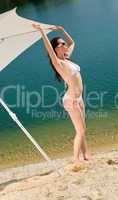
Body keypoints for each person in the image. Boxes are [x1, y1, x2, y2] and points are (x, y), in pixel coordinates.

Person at [32, 24, 92, 167]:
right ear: (56, 48)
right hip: (71, 100)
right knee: (81, 130)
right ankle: (75, 160)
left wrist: (63, 30)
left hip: (79, 98)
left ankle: (86, 154)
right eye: (61, 44)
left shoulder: (66, 58)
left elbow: (72, 42)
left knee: (83, 129)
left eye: (64, 44)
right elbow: (49, 49)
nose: (65, 45)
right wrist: (41, 32)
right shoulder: (58, 63)